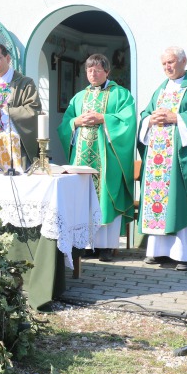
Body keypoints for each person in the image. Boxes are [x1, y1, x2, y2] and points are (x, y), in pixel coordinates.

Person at [138, 46, 187, 271]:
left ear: (183, 61)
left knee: (181, 202)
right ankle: (159, 251)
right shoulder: (160, 90)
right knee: (160, 202)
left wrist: (176, 117)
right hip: (159, 159)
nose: (167, 67)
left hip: (184, 157)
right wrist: (149, 120)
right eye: (164, 64)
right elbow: (145, 114)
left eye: (171, 62)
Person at [57, 54, 136, 262]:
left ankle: (107, 247)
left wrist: (103, 118)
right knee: (84, 197)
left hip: (107, 157)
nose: (93, 73)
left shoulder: (120, 94)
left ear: (107, 72)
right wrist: (76, 121)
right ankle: (86, 244)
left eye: (98, 70)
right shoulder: (79, 97)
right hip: (82, 157)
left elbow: (127, 122)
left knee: (105, 197)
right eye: (89, 70)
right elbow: (65, 123)